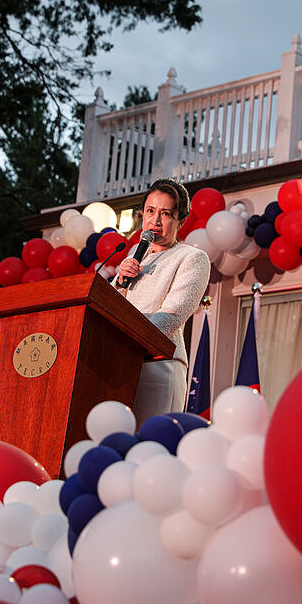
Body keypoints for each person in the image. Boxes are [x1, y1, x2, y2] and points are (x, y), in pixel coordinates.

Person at [114, 178, 211, 424]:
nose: (155, 221)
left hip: (159, 366)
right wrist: (117, 282)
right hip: (120, 363)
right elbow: (108, 309)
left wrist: (125, 341)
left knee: (150, 447)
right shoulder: (135, 256)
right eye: (150, 211)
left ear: (181, 220)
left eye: (165, 213)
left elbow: (171, 316)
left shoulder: (192, 258)